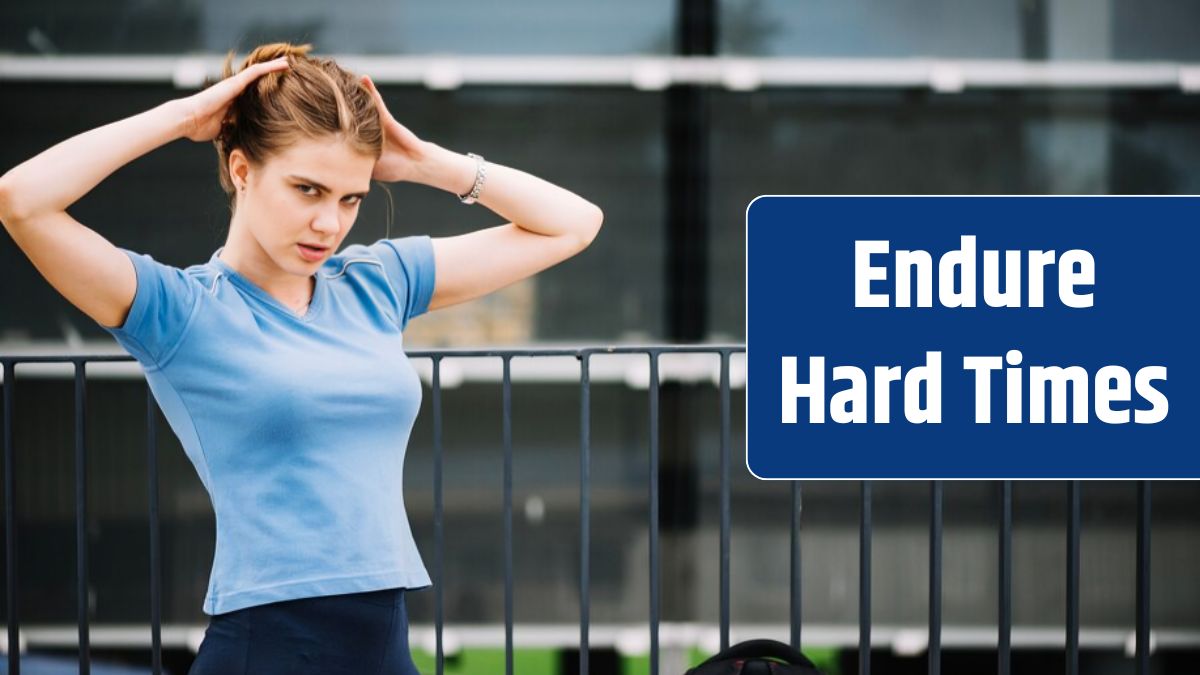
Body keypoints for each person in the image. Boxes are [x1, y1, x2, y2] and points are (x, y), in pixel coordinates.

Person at [0, 42, 603, 674]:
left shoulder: (378, 282)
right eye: (307, 189)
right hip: (269, 642)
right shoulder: (181, 311)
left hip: (383, 636)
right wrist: (182, 118)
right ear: (241, 170)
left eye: (350, 199)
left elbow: (574, 224)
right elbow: (22, 200)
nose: (328, 223)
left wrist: (430, 163)